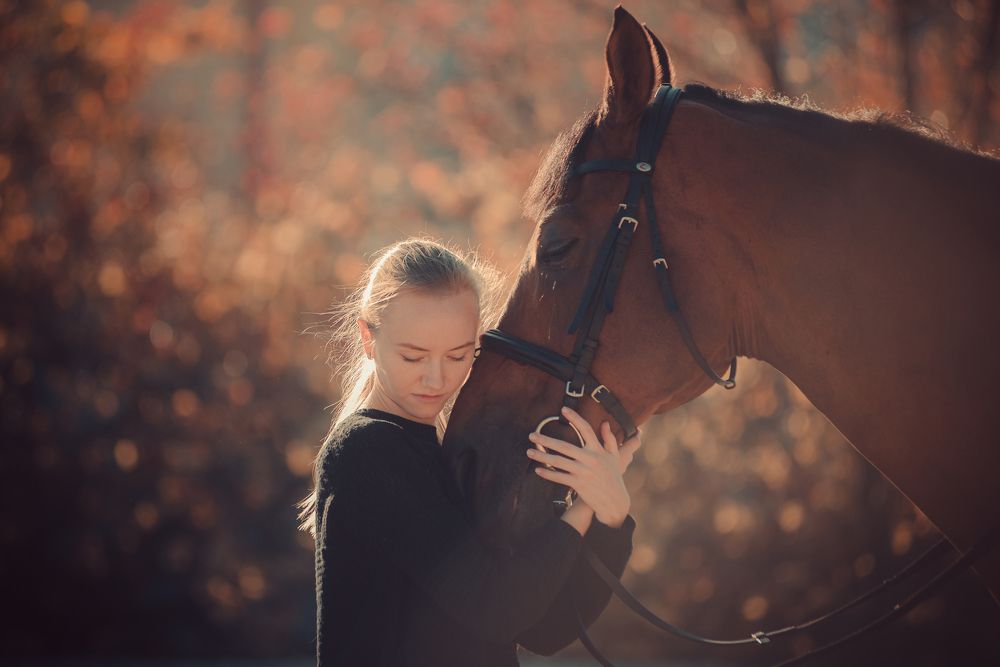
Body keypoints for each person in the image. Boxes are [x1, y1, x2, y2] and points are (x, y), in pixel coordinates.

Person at [297, 238, 643, 666]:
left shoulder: (453, 455)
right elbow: (495, 608)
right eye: (413, 356)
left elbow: (545, 628)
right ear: (368, 337)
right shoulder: (367, 449)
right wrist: (584, 507)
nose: (437, 378)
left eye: (459, 355)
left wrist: (609, 514)